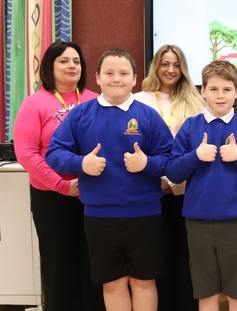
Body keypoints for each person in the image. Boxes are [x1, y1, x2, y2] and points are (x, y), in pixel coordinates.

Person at [45, 48, 173, 311]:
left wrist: (147, 164)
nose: (117, 79)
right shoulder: (80, 115)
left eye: (124, 73)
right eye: (110, 73)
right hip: (99, 216)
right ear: (97, 78)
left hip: (144, 215)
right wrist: (81, 163)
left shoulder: (148, 115)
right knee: (112, 283)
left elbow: (171, 159)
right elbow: (54, 154)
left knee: (143, 281)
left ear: (135, 79)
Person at [165, 60, 237, 311]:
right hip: (198, 223)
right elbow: (172, 172)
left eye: (226, 89)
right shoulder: (191, 127)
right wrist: (195, 156)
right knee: (206, 294)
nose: (220, 95)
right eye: (213, 89)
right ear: (203, 91)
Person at [13, 41, 105, 311]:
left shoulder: (95, 100)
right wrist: (62, 186)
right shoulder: (34, 104)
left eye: (76, 61)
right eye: (64, 61)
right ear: (49, 67)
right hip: (51, 197)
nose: (72, 66)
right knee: (58, 263)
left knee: (94, 262)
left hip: (94, 195)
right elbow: (27, 154)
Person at [134, 44, 204, 311]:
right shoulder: (140, 100)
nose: (171, 70)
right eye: (165, 64)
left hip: (186, 190)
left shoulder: (196, 101)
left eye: (176, 64)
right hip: (150, 190)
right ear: (156, 66)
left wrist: (175, 180)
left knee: (186, 257)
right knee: (157, 257)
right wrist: (159, 177)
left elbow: (199, 147)